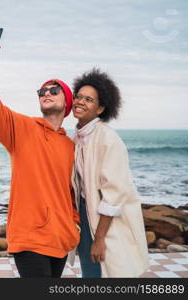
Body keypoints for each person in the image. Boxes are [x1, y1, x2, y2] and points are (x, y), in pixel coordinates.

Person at [0, 40, 80, 278]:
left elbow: (72, 192)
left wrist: (74, 224)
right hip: (30, 237)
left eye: (54, 90)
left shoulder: (71, 146)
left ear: (67, 103)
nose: (46, 93)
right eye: (42, 91)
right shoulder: (22, 128)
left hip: (62, 237)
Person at [70, 68, 149, 277]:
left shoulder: (108, 138)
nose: (80, 102)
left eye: (89, 99)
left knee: (112, 270)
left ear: (100, 109)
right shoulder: (77, 137)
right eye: (78, 96)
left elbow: (115, 194)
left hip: (107, 220)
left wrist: (100, 238)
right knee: (91, 271)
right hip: (86, 215)